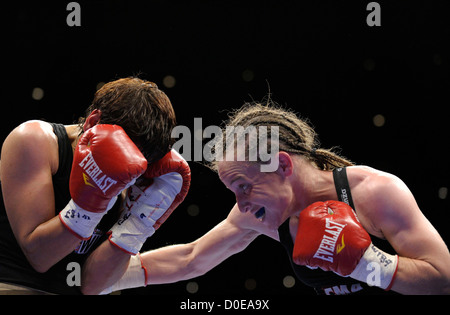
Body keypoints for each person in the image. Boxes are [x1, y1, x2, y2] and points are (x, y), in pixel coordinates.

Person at [98, 101, 450, 295]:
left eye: (244, 186)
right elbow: (191, 259)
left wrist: (366, 262)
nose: (240, 204)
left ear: (281, 164)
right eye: (233, 191)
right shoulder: (259, 213)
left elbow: (442, 279)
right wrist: (101, 278)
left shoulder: (374, 193)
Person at [0, 77, 190, 295]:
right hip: (15, 286)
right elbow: (39, 257)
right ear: (93, 122)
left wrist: (137, 226)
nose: (132, 170)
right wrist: (91, 203)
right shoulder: (36, 141)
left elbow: (93, 285)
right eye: (124, 151)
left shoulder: (132, 174)